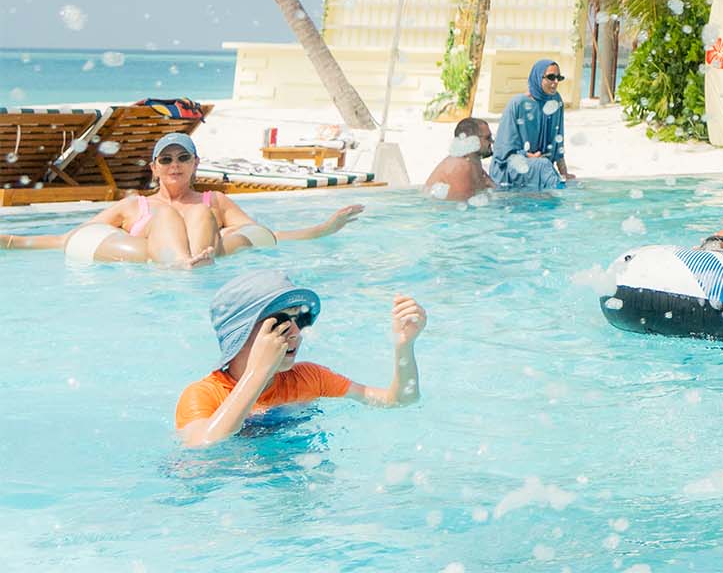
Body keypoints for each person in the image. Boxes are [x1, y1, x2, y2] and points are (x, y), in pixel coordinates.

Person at [2, 132, 362, 265]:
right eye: (166, 159)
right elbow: (72, 237)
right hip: (155, 275)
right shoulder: (134, 207)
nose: (175, 165)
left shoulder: (214, 202)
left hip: (209, 267)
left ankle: (189, 264)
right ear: (154, 168)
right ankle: (181, 264)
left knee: (201, 218)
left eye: (183, 158)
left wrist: (322, 230)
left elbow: (264, 236)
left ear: (195, 164)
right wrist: (11, 241)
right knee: (165, 219)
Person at [176, 269, 425, 448]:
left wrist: (404, 345)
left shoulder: (310, 378)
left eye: (300, 319)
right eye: (281, 323)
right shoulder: (204, 395)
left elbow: (399, 401)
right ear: (240, 333)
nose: (296, 333)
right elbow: (203, 446)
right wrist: (257, 372)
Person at [490, 59, 571, 191]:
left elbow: (558, 140)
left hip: (540, 164)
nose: (555, 82)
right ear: (538, 77)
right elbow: (502, 150)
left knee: (548, 169)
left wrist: (564, 172)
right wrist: (528, 156)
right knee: (544, 166)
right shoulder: (517, 104)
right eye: (551, 77)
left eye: (558, 78)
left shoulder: (556, 101)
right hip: (512, 165)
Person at [423, 117, 494, 203]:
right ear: (471, 139)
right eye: (487, 138)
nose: (492, 141)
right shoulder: (460, 166)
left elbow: (492, 189)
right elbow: (460, 208)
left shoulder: (473, 162)